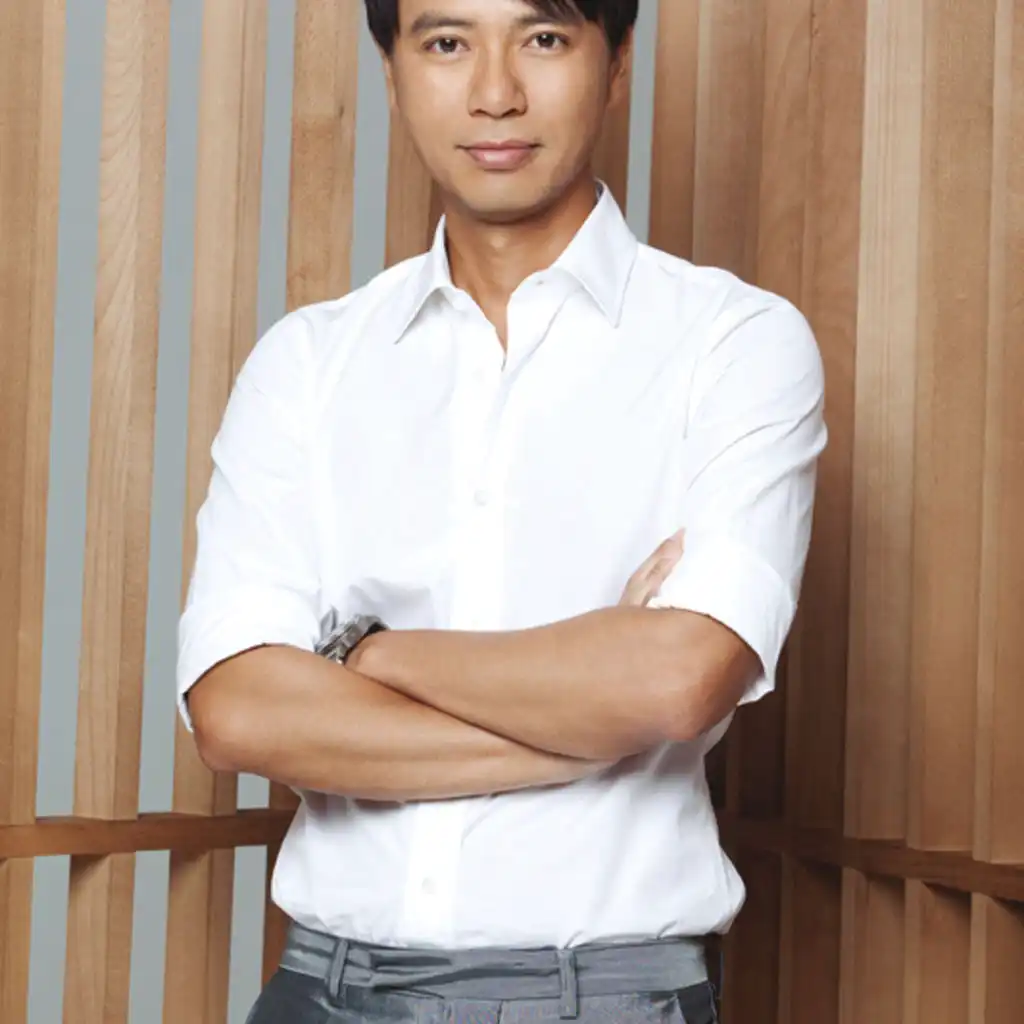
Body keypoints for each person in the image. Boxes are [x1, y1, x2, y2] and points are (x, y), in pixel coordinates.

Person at [177, 0, 827, 1020]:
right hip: (321, 991)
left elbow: (674, 682)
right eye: (446, 43)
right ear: (392, 70)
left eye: (543, 39)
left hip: (599, 997)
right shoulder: (307, 363)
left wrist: (366, 653)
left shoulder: (732, 344)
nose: (494, 91)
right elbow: (236, 710)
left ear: (616, 61)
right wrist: (589, 721)